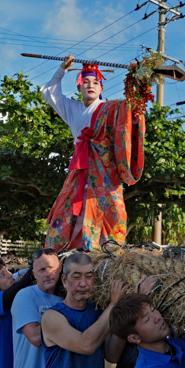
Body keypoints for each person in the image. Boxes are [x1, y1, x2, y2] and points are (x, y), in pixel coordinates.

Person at [41, 57, 145, 251]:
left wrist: (137, 78)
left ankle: (107, 250)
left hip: (105, 170)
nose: (90, 86)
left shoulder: (110, 108)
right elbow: (50, 93)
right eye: (85, 82)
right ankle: (67, 251)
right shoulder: (73, 109)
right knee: (68, 209)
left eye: (95, 82)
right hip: (79, 169)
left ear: (101, 88)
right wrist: (62, 69)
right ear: (79, 87)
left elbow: (132, 107)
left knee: (112, 209)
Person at [37, 252, 127, 368]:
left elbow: (111, 356)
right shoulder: (52, 317)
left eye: (89, 276)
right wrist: (114, 304)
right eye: (76, 277)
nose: (83, 284)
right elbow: (86, 345)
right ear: (64, 280)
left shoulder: (98, 312)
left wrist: (125, 317)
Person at [10, 249, 63, 368]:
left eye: (51, 268)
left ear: (60, 269)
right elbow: (35, 337)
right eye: (41, 270)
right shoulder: (25, 296)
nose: (47, 274)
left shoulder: (64, 300)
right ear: (34, 274)